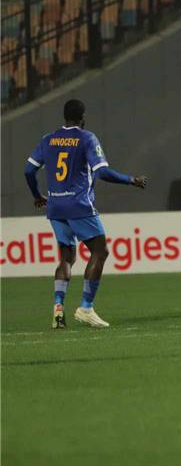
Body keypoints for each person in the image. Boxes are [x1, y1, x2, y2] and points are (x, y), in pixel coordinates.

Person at [24, 99, 148, 329]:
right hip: (79, 205)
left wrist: (36, 195)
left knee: (66, 257)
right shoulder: (86, 138)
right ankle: (86, 308)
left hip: (56, 207)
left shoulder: (48, 139)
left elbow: (29, 170)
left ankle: (58, 308)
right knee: (100, 251)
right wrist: (131, 180)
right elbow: (102, 172)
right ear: (83, 117)